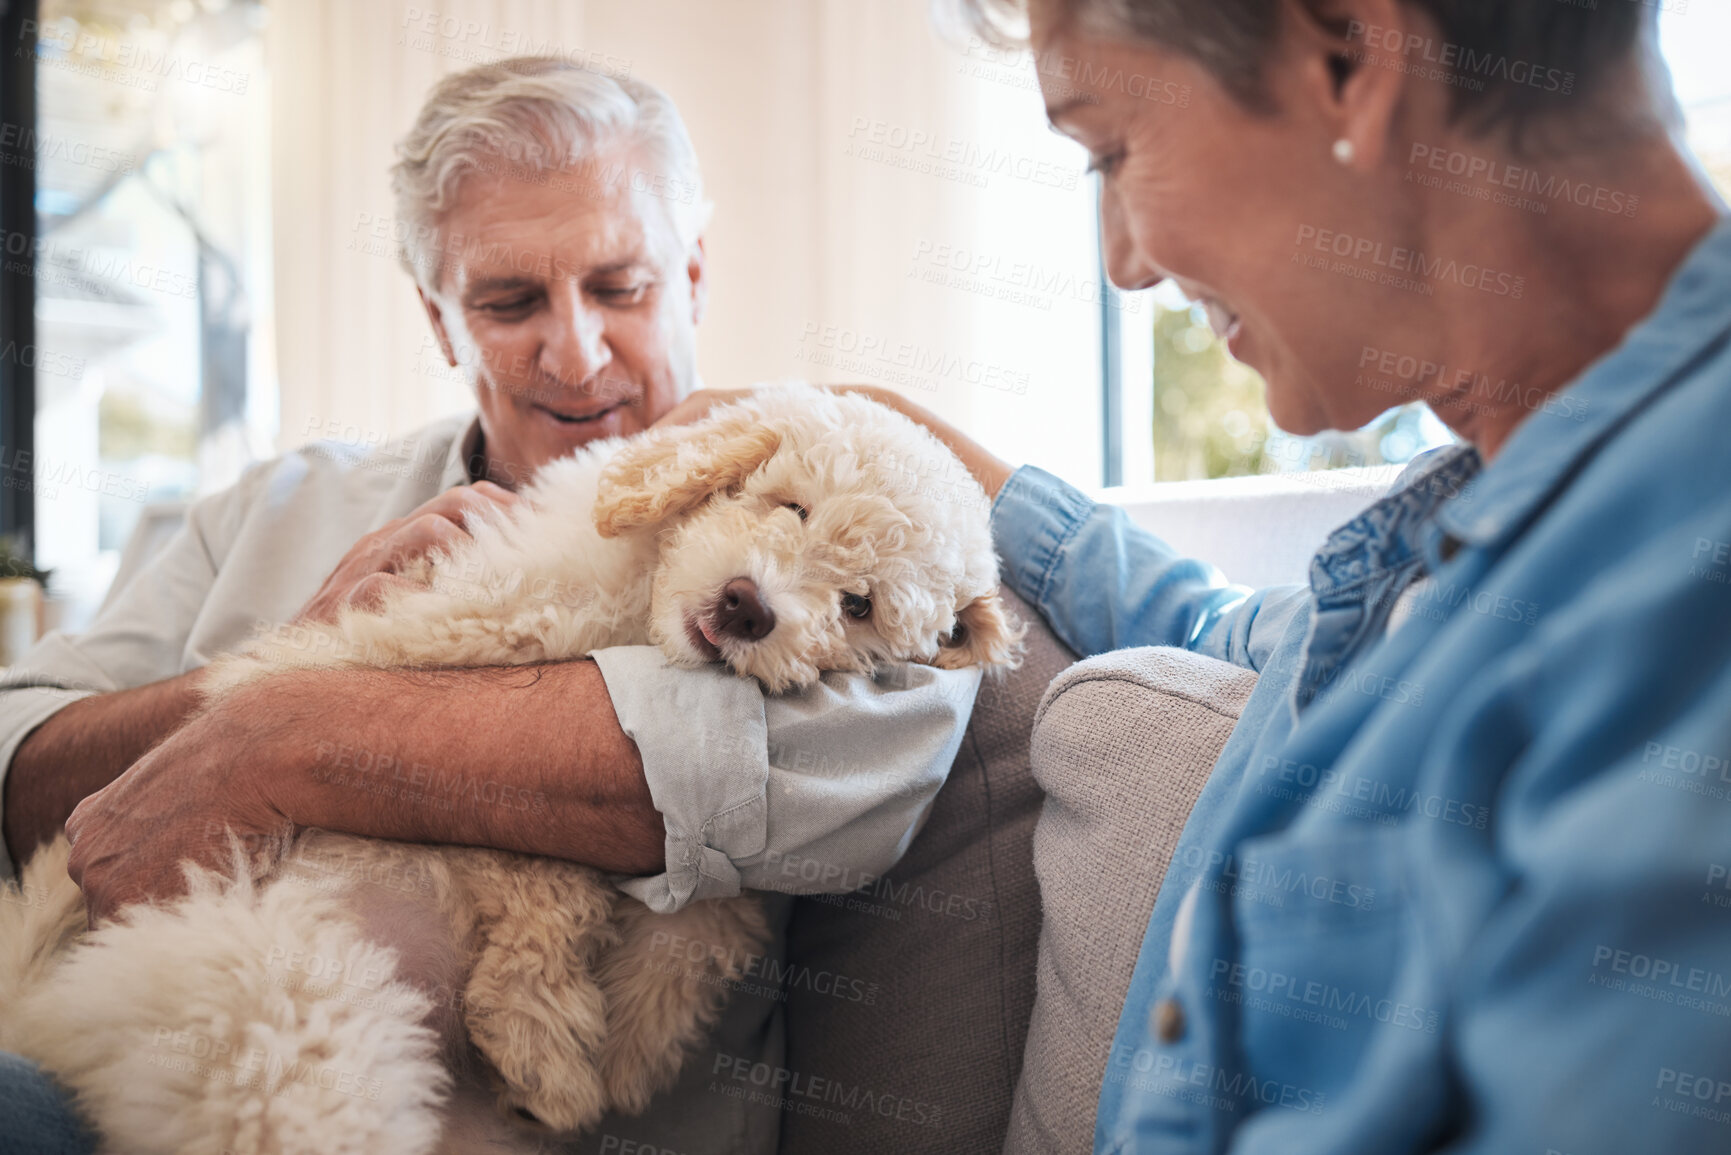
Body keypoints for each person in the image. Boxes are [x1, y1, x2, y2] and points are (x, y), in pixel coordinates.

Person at [681, 0, 1731, 1149]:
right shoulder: (1454, 544)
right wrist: (897, 439)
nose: (1122, 263)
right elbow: (1221, 627)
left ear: (1352, 56)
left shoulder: (1674, 588)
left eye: (1114, 152)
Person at [0, 59, 979, 1153]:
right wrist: (295, 653)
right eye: (509, 302)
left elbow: (780, 770)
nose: (576, 352)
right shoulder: (273, 509)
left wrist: (281, 732)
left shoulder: (827, 532)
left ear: (693, 274)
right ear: (436, 318)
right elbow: (16, 758)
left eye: (622, 287)